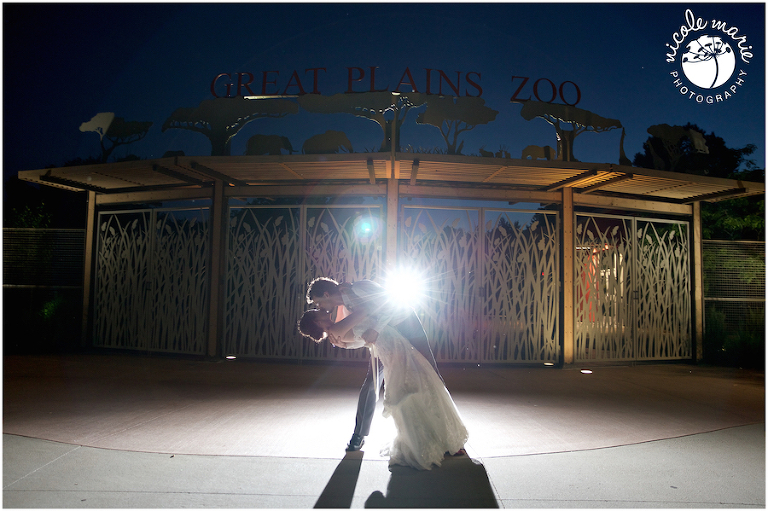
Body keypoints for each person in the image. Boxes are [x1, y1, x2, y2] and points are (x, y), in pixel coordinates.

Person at [298, 307, 468, 470]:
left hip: (395, 345)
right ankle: (430, 438)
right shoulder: (337, 330)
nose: (321, 309)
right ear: (316, 321)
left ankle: (437, 437)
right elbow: (362, 327)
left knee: (419, 387)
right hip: (392, 350)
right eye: (317, 310)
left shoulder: (338, 327)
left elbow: (361, 336)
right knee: (412, 391)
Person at [306, 277, 442, 452]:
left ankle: (444, 428)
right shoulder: (347, 306)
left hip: (407, 325)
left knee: (430, 372)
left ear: (326, 294)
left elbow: (391, 303)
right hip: (384, 341)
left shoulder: (359, 287)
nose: (319, 308)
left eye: (318, 303)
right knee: (371, 383)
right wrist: (346, 343)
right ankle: (359, 435)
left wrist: (376, 330)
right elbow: (361, 332)